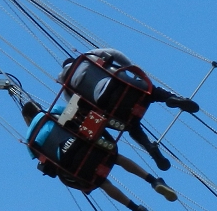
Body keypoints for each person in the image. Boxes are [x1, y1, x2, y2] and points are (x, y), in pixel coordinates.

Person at [23, 101, 178, 211]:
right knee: (116, 158)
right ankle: (153, 181)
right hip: (86, 146)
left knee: (101, 182)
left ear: (27, 120)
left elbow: (46, 166)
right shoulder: (50, 111)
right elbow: (76, 113)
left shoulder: (30, 142)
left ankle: (137, 210)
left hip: (74, 166)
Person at [59, 47, 200, 171]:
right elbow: (115, 53)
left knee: (130, 126)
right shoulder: (88, 56)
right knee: (152, 92)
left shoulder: (67, 88)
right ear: (73, 60)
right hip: (122, 84)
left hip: (106, 104)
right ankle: (170, 98)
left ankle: (148, 146)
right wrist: (131, 70)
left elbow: (79, 110)